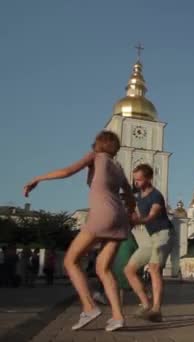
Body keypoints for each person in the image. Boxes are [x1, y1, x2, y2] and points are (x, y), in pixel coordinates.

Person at [23, 131, 135, 332]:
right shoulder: (118, 167)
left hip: (102, 215)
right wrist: (131, 214)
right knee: (104, 268)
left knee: (70, 261)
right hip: (120, 219)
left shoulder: (95, 156)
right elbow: (129, 196)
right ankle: (118, 317)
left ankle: (89, 307)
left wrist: (37, 178)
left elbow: (67, 171)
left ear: (97, 145)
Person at [124, 164, 174, 323]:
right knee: (129, 270)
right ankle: (146, 303)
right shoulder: (137, 196)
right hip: (149, 237)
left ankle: (156, 310)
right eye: (135, 179)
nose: (136, 182)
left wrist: (137, 220)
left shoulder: (156, 196)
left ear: (149, 178)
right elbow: (135, 215)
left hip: (163, 234)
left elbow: (151, 216)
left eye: (139, 179)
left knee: (154, 269)